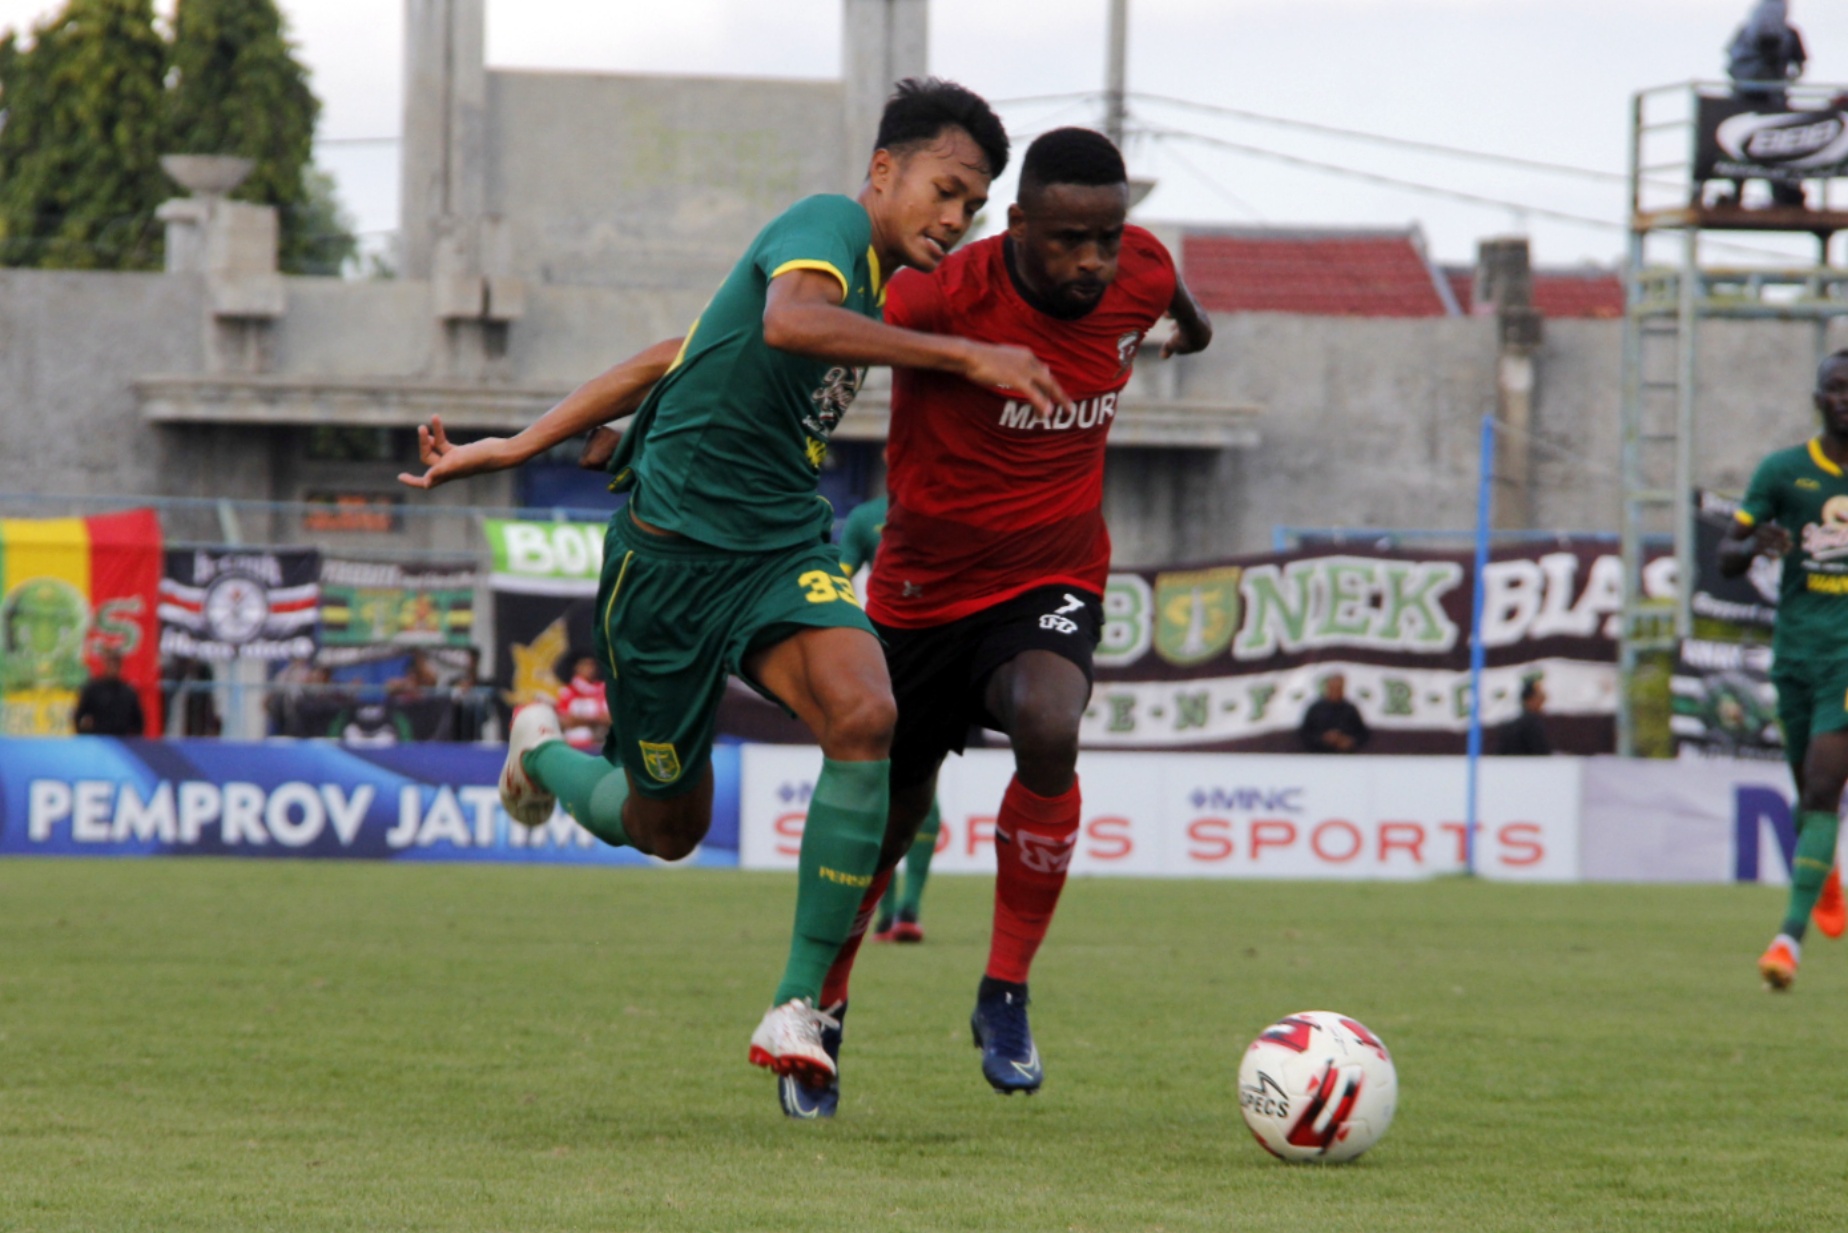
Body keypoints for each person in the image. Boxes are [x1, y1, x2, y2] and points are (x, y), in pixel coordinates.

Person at [398, 78, 1069, 1091]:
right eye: (946, 188)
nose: (955, 216)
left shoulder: (872, 286)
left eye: (972, 206)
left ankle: (799, 1006)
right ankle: (541, 754)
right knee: (667, 828)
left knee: (865, 714)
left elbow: (682, 352)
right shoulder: (829, 225)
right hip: (666, 571)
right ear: (884, 171)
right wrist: (964, 355)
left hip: (778, 547)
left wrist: (537, 438)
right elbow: (792, 325)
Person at [778, 127, 1212, 1118]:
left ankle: (1005, 990)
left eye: (1107, 237)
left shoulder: (1138, 269)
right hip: (918, 597)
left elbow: (1171, 295)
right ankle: (823, 1011)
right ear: (1017, 226)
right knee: (882, 827)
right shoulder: (939, 292)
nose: (1092, 261)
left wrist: (1191, 330)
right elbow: (797, 337)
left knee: (1050, 722)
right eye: (1068, 241)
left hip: (1049, 576)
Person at [1722, 349, 1848, 990]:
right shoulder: (1785, 471)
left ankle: (1786, 941)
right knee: (1809, 791)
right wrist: (1750, 546)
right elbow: (1725, 554)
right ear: (1818, 397)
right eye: (1836, 388)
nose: (1846, 398)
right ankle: (1823, 878)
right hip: (1796, 650)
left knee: (1827, 786)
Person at [839, 495, 942, 945]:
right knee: (884, 780)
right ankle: (888, 909)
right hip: (882, 655)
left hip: (942, 653)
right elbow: (839, 581)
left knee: (918, 777)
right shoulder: (866, 517)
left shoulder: (948, 508)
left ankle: (905, 910)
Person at [1724, 0, 1808, 208]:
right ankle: (1783, 195)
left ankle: (1737, 195)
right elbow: (1800, 65)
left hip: (1747, 101)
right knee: (1774, 150)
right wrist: (1785, 80)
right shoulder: (1789, 33)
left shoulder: (1745, 32)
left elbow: (1730, 64)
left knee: (1743, 148)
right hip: (1773, 102)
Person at [74, 650, 144, 736]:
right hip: (98, 741)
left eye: (116, 664)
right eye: (110, 664)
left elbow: (138, 723)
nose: (113, 668)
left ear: (120, 666)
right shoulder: (93, 689)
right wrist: (84, 737)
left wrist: (132, 741)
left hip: (121, 741)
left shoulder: (128, 693)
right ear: (105, 664)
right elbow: (79, 715)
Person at [1298, 673, 1369, 754]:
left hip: (1345, 757)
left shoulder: (1350, 709)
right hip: (1319, 757)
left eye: (1338, 688)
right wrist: (1323, 739)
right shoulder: (1315, 709)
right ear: (1327, 688)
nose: (1335, 691)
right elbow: (1304, 734)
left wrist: (1349, 741)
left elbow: (1363, 734)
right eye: (1332, 688)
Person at [556, 656, 612, 751]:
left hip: (604, 745)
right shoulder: (567, 691)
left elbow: (614, 719)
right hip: (577, 745)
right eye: (585, 664)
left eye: (592, 664)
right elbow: (565, 721)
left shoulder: (605, 689)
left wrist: (580, 720)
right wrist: (595, 720)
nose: (590, 668)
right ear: (577, 667)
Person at [1496, 677, 1552, 756]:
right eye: (1539, 696)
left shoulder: (1534, 722)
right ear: (1529, 700)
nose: (1543, 700)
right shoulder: (1529, 725)